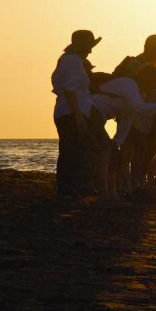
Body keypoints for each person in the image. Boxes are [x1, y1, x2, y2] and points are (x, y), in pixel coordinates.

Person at [86, 64, 156, 198]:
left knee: (110, 151)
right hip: (90, 111)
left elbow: (128, 118)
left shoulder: (135, 96)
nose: (154, 88)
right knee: (105, 150)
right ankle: (104, 191)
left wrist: (117, 142)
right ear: (148, 80)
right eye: (154, 84)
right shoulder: (129, 85)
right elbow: (140, 108)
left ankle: (109, 191)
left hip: (96, 117)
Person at [113, 34, 156, 191]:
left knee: (146, 148)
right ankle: (126, 182)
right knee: (130, 149)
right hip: (134, 114)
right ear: (147, 47)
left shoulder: (154, 65)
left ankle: (139, 182)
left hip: (151, 115)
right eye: (155, 48)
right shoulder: (135, 64)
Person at [51, 30, 100, 197]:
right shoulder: (73, 61)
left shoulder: (69, 59)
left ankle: (69, 187)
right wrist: (78, 115)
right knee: (75, 151)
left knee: (72, 150)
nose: (90, 50)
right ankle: (70, 188)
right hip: (71, 112)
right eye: (88, 46)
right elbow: (70, 89)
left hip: (69, 111)